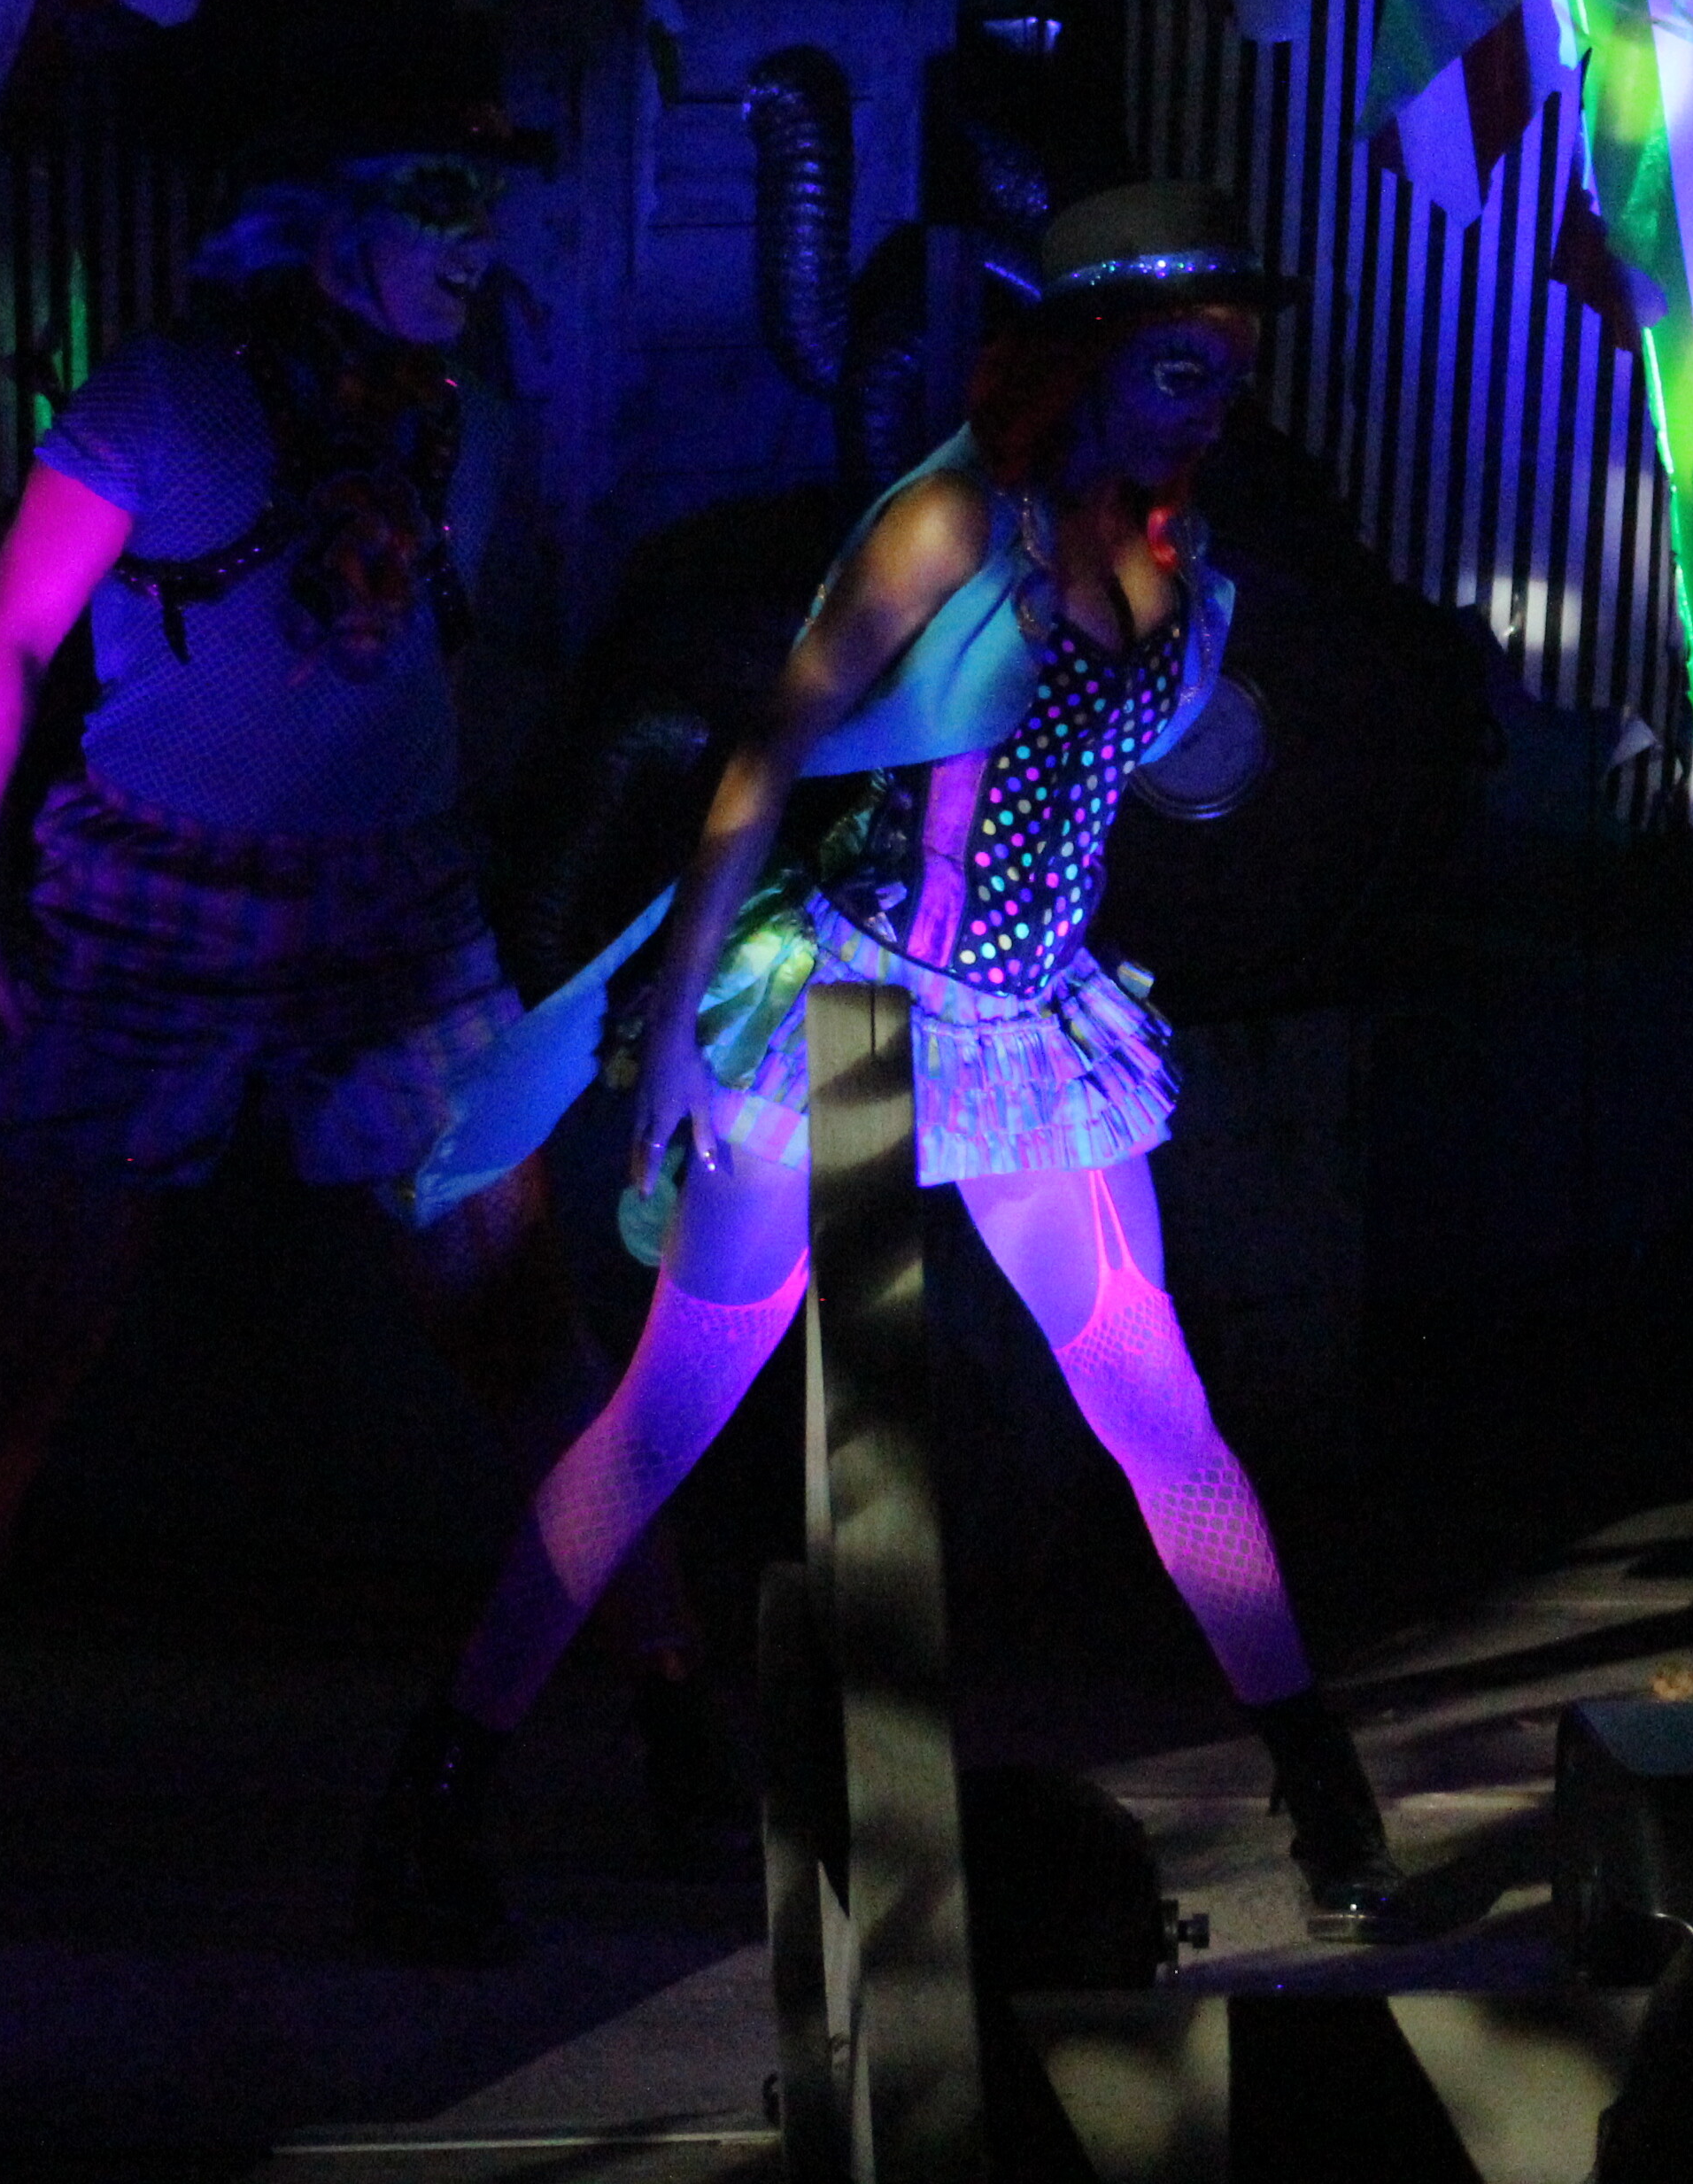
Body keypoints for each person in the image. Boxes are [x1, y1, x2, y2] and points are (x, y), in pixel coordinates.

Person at [354, 180, 1403, 1956]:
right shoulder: (952, 517)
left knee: (1154, 1399)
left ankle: (1321, 1783)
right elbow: (767, 751)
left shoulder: (1171, 540)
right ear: (1082, 361)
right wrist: (671, 1028)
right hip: (851, 1008)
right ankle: (441, 1786)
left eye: (1230, 370)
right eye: (1180, 369)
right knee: (674, 1407)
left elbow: (1168, 765)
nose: (1214, 403)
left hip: (1032, 1030)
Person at [0, 131, 713, 1908]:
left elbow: (457, 670)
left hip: (389, 912)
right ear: (337, 218)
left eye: (491, 213)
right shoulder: (166, 397)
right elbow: (8, 641)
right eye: (439, 207)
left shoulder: (473, 425)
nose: (477, 243)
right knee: (16, 1342)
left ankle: (681, 1704)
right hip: (150, 902)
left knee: (523, 1331)